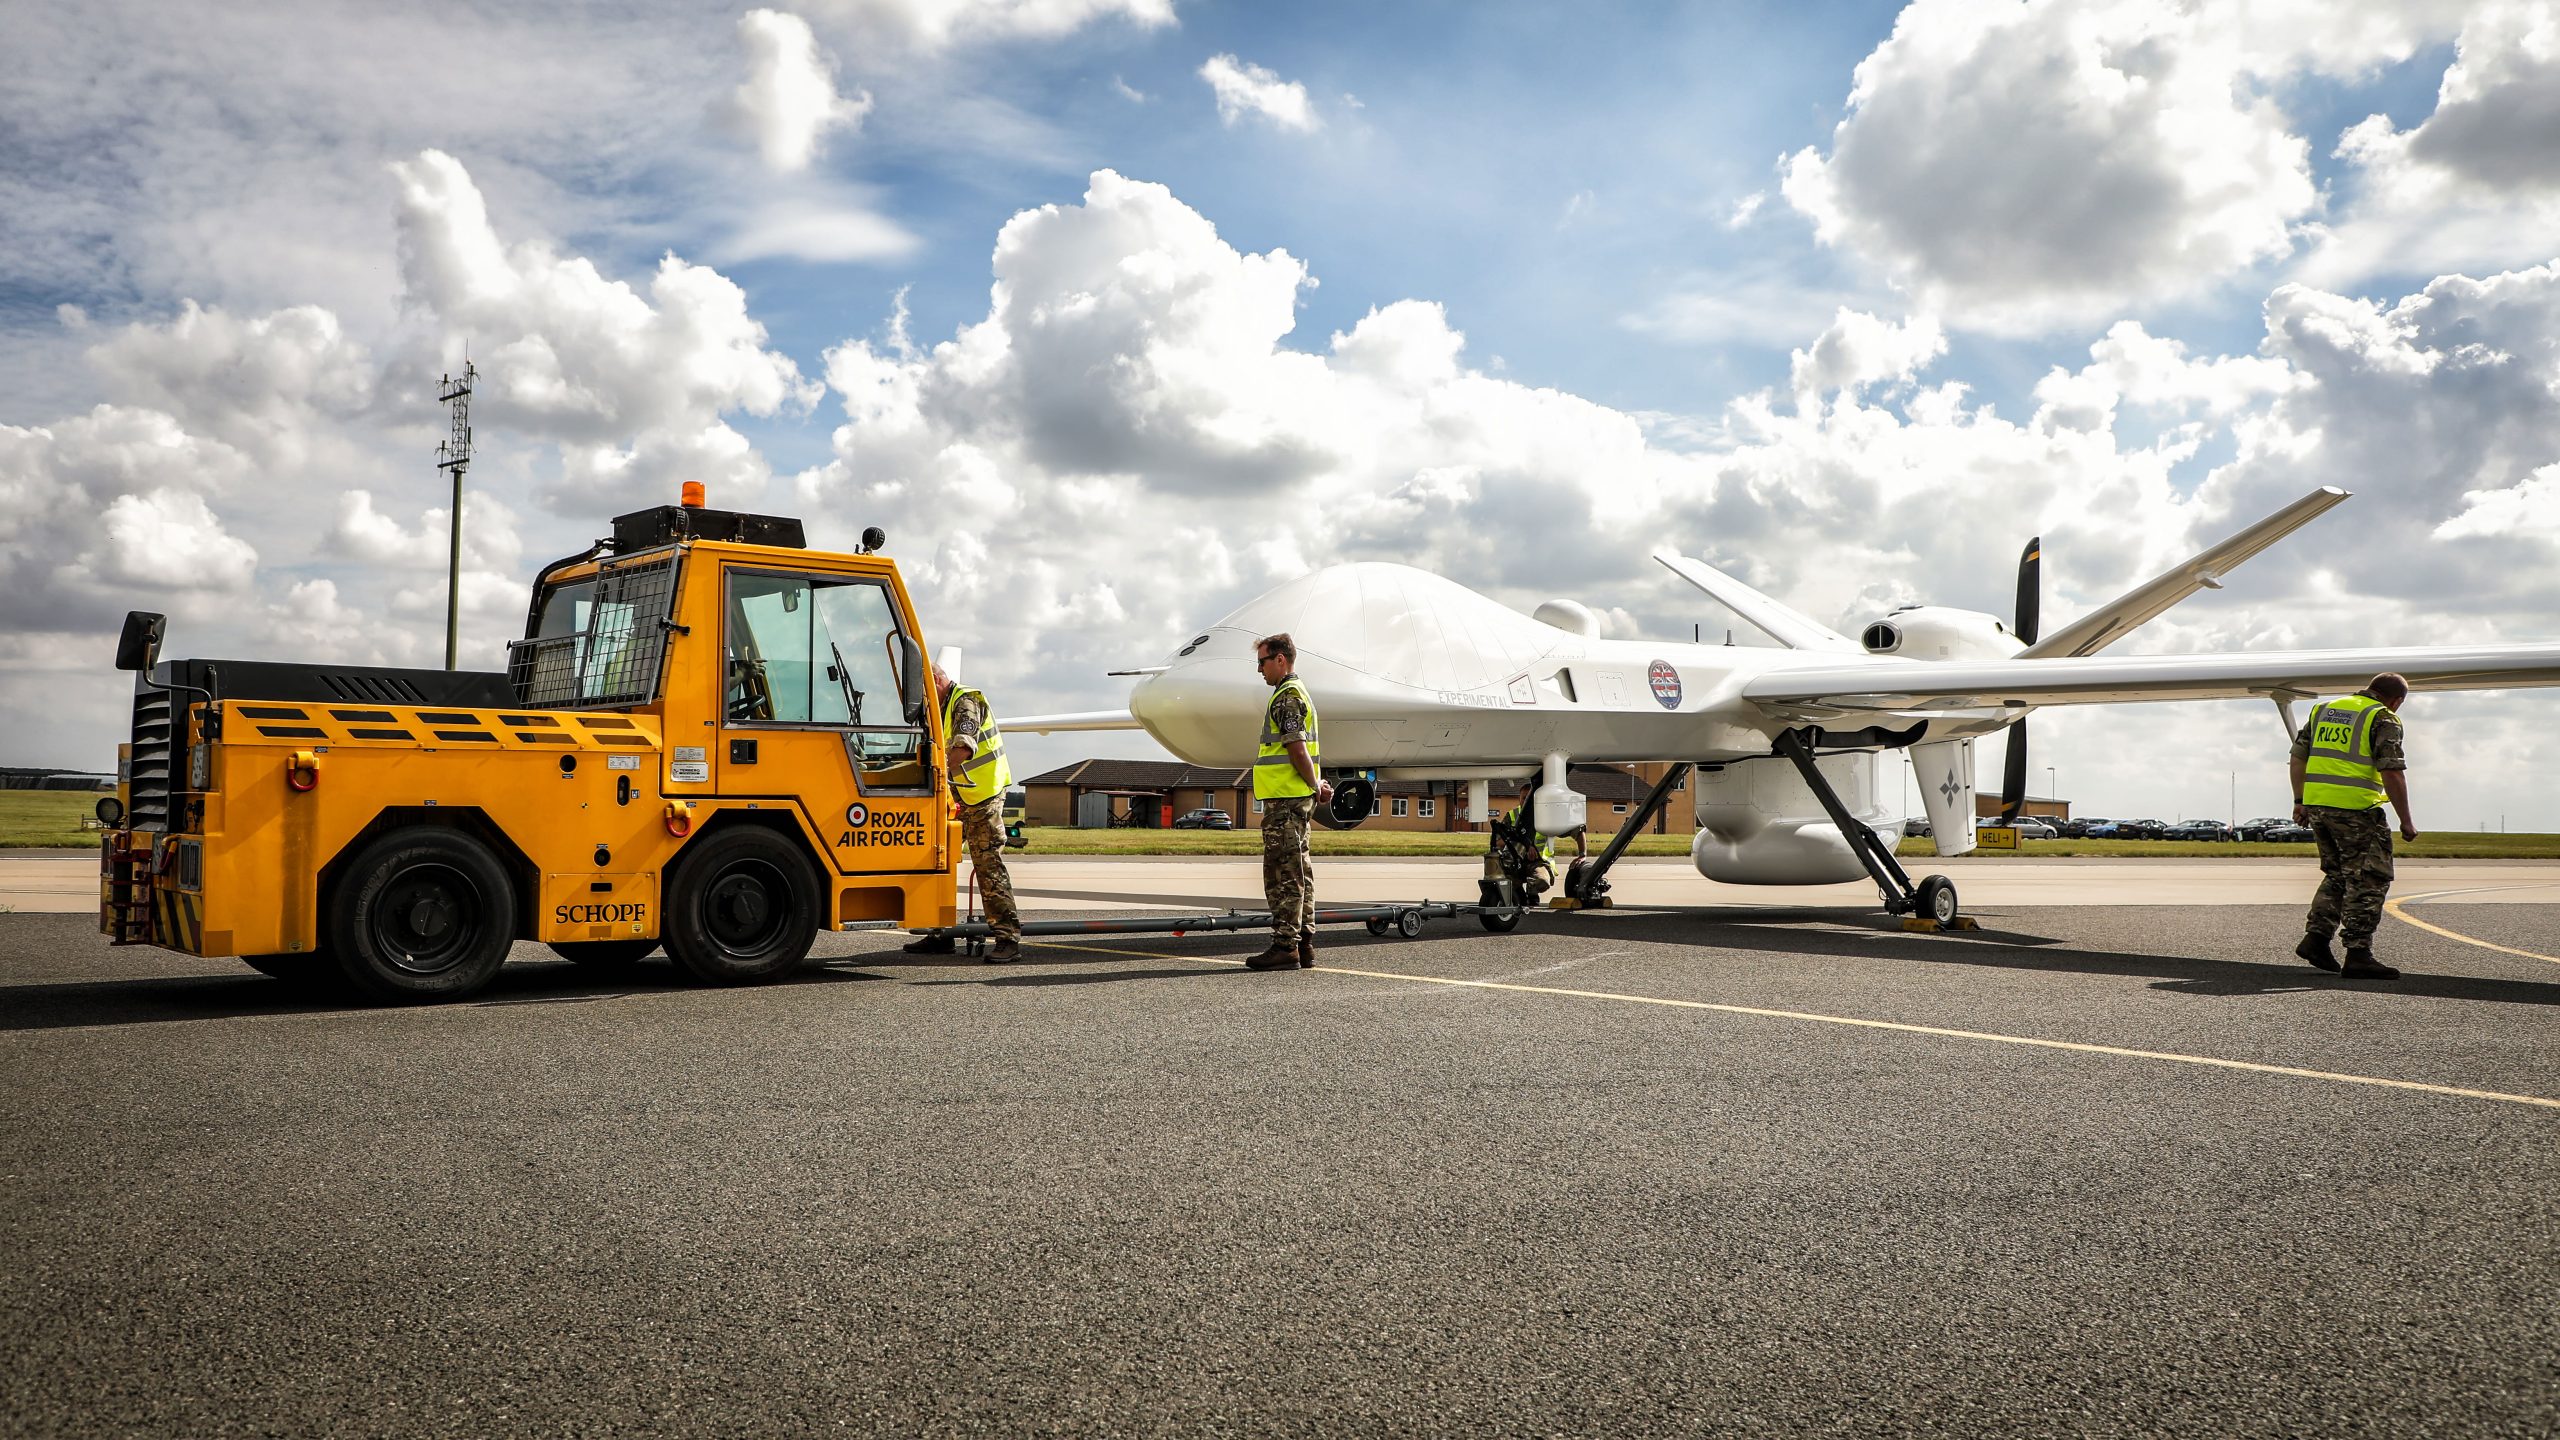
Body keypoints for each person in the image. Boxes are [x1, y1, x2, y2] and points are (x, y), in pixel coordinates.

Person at [2290, 672, 2418, 980]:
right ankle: (2358, 953)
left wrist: (2300, 800)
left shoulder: (2324, 710)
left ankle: (2317, 938)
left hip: (2319, 805)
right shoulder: (2382, 717)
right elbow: (2392, 771)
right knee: (2371, 877)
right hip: (2356, 809)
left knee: (2338, 874)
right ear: (2396, 700)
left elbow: (2297, 757)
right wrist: (2406, 820)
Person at [905, 664, 1020, 963]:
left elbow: (963, 749)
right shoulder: (942, 707)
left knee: (987, 866)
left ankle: (1008, 938)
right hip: (960, 795)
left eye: (923, 687)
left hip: (984, 796)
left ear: (938, 680)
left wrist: (934, 771)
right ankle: (940, 933)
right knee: (938, 857)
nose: (922, 696)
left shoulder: (966, 701)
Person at [1246, 633, 1331, 971]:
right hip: (1296, 797)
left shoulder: (1287, 697)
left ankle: (1285, 946)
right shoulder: (1299, 693)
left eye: (1262, 662)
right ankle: (1304, 943)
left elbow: (1296, 748)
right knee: (1300, 871)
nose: (1259, 670)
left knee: (1283, 873)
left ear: (1280, 659)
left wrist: (1313, 783)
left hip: (1286, 801)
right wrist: (1316, 785)